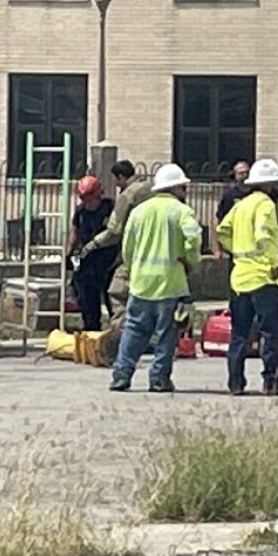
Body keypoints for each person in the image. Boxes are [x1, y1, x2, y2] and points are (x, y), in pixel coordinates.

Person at [109, 164, 202, 393]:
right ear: (174, 187)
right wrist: (190, 261)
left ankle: (121, 375)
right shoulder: (181, 211)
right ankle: (159, 379)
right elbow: (193, 238)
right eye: (183, 186)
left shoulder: (139, 211)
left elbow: (127, 247)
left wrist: (132, 270)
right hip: (170, 284)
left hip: (141, 283)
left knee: (133, 330)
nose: (185, 190)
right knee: (167, 333)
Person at [216, 158, 278, 396]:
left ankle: (235, 383)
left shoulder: (241, 205)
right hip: (262, 277)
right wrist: (274, 262)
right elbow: (264, 236)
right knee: (269, 331)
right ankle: (271, 380)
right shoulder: (266, 205)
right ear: (269, 184)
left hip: (239, 276)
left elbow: (222, 231)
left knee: (239, 332)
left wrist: (237, 251)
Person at [83, 160, 154, 328]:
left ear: (121, 177)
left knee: (117, 292)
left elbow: (114, 231)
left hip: (132, 253)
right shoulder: (153, 189)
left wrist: (93, 244)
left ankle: (122, 338)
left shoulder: (128, 195)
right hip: (158, 252)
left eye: (116, 180)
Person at [68, 174, 117, 331]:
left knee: (112, 297)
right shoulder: (81, 211)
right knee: (87, 297)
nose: (86, 202)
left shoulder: (109, 208)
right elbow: (74, 231)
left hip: (108, 260)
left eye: (88, 197)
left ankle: (118, 329)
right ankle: (91, 328)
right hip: (88, 259)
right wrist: (69, 252)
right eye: (82, 198)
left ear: (97, 194)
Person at [211, 160, 252, 258]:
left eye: (247, 172)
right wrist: (216, 248)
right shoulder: (229, 195)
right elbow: (217, 220)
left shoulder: (256, 193)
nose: (245, 175)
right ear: (235, 176)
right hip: (234, 243)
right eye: (241, 173)